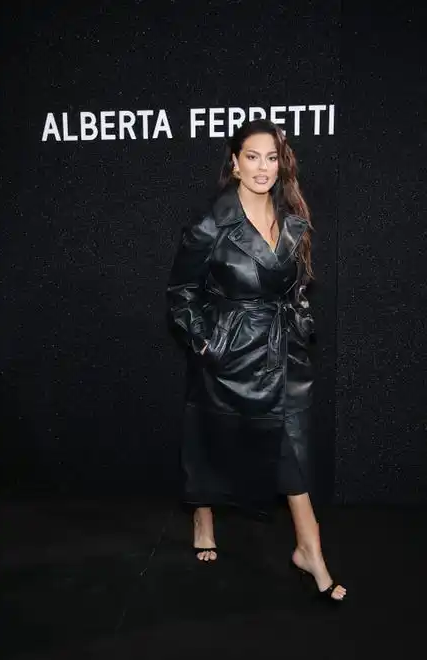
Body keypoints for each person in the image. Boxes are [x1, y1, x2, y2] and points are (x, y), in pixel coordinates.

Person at [166, 119, 346, 602]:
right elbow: (182, 293)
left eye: (271, 157)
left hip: (283, 351)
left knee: (294, 449)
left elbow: (297, 286)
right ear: (235, 162)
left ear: (280, 162)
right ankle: (203, 517)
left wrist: (301, 319)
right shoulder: (211, 224)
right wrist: (208, 343)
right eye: (252, 156)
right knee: (208, 438)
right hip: (229, 351)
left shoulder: (292, 219)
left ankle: (310, 550)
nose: (262, 167)